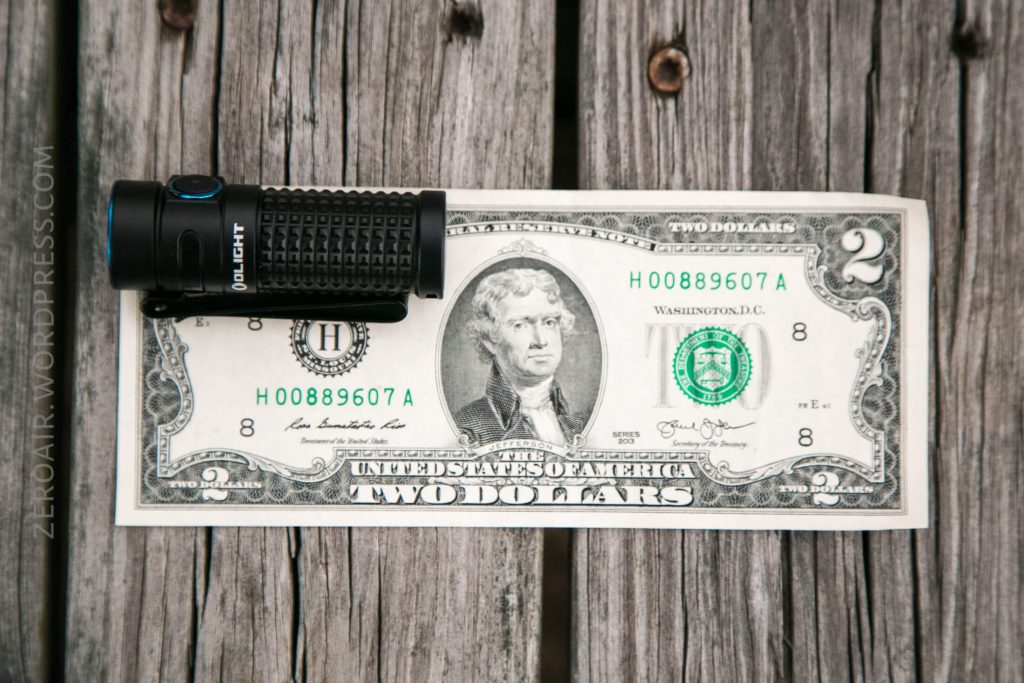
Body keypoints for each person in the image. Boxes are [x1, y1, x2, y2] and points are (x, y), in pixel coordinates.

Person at [455, 267, 585, 446]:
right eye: (520, 325)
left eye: (549, 322)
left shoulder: (577, 424)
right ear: (490, 339)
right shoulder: (468, 426)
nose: (541, 341)